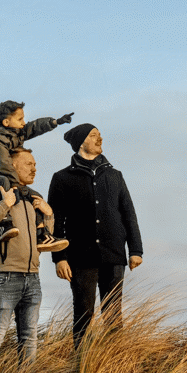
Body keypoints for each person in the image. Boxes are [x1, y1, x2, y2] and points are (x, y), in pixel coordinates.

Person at [47, 123, 143, 349]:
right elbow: (55, 220)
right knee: (83, 314)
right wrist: (59, 257)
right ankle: (81, 361)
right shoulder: (62, 178)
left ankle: (113, 362)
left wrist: (136, 250)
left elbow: (129, 213)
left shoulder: (115, 175)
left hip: (114, 255)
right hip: (80, 257)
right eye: (93, 135)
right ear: (81, 142)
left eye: (100, 135)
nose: (100, 139)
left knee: (113, 314)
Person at [0, 148, 55, 373]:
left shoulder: (30, 196)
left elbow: (43, 240)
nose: (34, 168)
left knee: (29, 338)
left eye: (35, 163)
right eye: (29, 163)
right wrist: (5, 205)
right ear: (12, 166)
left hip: (32, 275)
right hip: (3, 275)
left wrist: (48, 215)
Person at [0, 100, 72, 254]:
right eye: (20, 119)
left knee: (35, 195)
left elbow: (34, 127)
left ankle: (42, 234)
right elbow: (4, 165)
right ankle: (5, 223)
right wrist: (18, 187)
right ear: (6, 122)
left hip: (4, 171)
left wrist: (55, 122)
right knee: (4, 181)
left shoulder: (16, 132)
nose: (23, 122)